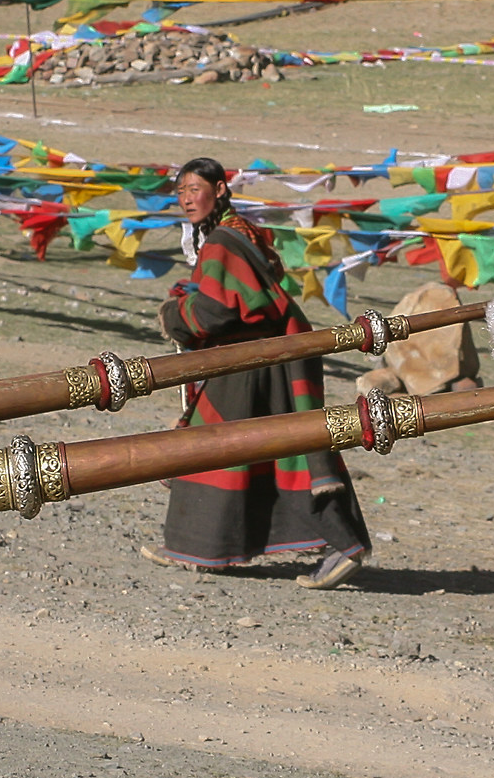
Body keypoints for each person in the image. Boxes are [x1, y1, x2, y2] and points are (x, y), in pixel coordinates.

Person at [142, 158, 371, 588]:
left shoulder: (224, 242)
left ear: (220, 189)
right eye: (180, 192)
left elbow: (216, 310)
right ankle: (198, 548)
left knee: (222, 448)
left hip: (251, 363)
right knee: (257, 451)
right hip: (263, 357)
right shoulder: (241, 233)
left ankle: (345, 547)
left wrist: (175, 313)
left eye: (195, 189)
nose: (187, 199)